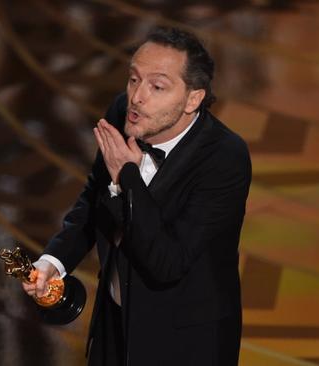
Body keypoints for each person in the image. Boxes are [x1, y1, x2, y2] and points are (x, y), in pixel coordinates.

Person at [22, 26, 251, 366]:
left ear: (193, 98)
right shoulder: (124, 115)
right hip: (115, 325)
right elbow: (93, 200)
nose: (137, 97)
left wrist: (127, 177)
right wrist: (53, 262)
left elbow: (167, 263)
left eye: (157, 86)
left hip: (185, 343)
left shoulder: (224, 158)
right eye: (133, 79)